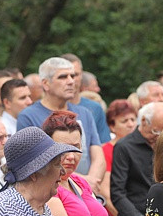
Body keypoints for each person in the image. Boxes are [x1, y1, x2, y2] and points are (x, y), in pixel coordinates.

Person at [17, 57, 105, 190]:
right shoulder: (28, 116)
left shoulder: (85, 113)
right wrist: (80, 181)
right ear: (46, 83)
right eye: (63, 77)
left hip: (87, 190)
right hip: (52, 193)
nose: (71, 81)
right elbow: (34, 162)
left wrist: (90, 183)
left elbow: (98, 154)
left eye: (73, 76)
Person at [99, 99, 137, 216]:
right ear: (112, 126)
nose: (131, 124)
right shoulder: (105, 150)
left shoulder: (142, 148)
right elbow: (106, 193)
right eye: (124, 121)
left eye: (133, 119)